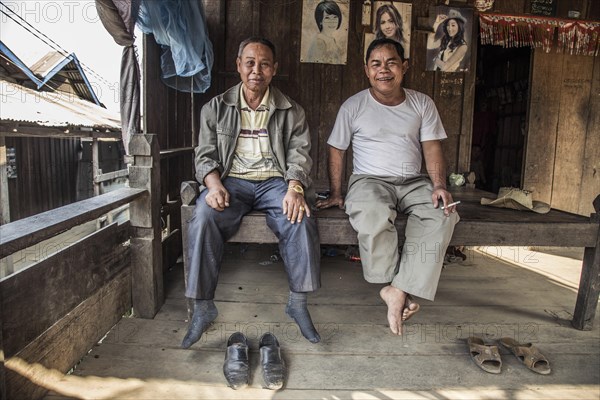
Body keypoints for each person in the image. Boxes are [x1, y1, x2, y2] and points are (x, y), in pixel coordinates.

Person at [182, 37, 321, 349]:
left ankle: (298, 304)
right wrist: (213, 185)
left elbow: (300, 156)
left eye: (264, 64)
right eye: (250, 63)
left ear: (274, 70)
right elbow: (204, 156)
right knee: (203, 216)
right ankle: (203, 309)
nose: (256, 69)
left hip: (275, 181)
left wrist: (294, 188)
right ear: (238, 66)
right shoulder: (215, 109)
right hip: (233, 181)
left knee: (300, 217)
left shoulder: (292, 111)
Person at [316, 38, 459, 335]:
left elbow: (432, 149)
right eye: (376, 64)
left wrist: (439, 186)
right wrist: (337, 193)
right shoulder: (354, 105)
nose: (384, 70)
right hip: (369, 180)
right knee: (372, 211)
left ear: (404, 67)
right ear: (367, 70)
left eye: (391, 62)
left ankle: (397, 289)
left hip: (414, 181)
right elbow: (336, 149)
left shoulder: (421, 103)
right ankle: (395, 285)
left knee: (443, 213)